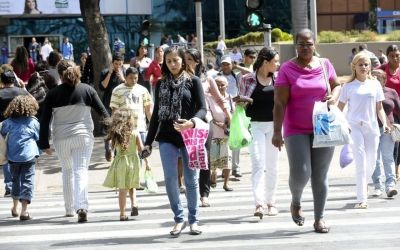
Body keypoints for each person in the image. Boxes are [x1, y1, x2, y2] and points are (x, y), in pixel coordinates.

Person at [272, 29, 341, 233]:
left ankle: (319, 218)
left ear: (315, 44)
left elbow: (336, 85)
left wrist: (334, 97)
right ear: (295, 45)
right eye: (301, 44)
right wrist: (277, 131)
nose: (305, 47)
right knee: (302, 172)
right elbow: (279, 103)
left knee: (320, 175)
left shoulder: (324, 64)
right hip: (295, 128)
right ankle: (296, 201)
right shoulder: (287, 69)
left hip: (322, 125)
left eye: (309, 43)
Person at [143, 46, 206, 236]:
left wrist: (191, 122)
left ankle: (193, 220)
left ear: (183, 61)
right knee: (171, 179)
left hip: (189, 135)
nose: (172, 64)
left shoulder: (193, 81)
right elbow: (155, 116)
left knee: (191, 179)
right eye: (168, 61)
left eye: (175, 60)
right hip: (167, 137)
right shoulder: (160, 84)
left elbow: (203, 109)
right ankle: (179, 219)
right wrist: (147, 142)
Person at [39, 60, 109, 222]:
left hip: (61, 138)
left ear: (59, 74)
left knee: (67, 171)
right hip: (83, 137)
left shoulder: (53, 94)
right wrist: (112, 133)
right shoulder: (87, 90)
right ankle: (82, 206)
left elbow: (45, 120)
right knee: (81, 170)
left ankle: (69, 208)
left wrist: (44, 143)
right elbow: (104, 114)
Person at [338, 53, 389, 209]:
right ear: (354, 66)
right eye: (360, 64)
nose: (364, 67)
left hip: (372, 127)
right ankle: (362, 198)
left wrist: (385, 123)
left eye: (366, 64)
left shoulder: (375, 85)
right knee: (360, 161)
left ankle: (363, 184)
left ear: (370, 67)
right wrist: (343, 124)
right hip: (355, 127)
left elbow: (379, 108)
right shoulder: (347, 86)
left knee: (372, 162)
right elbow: (339, 109)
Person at [185, 48, 232, 207]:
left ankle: (204, 194)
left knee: (204, 157)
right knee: (189, 158)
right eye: (185, 59)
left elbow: (219, 99)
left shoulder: (207, 79)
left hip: (204, 121)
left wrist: (227, 113)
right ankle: (190, 188)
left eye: (190, 59)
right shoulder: (180, 78)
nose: (187, 62)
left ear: (198, 61)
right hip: (186, 122)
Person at [239, 47, 280, 219]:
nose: (278, 65)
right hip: (254, 125)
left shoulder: (278, 79)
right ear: (265, 62)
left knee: (272, 166)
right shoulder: (247, 79)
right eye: (275, 61)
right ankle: (259, 204)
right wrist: (242, 102)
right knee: (258, 164)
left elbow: (284, 103)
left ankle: (271, 202)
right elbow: (240, 105)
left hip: (274, 126)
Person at [2, 95, 39, 221]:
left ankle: (14, 207)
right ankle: (24, 211)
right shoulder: (33, 122)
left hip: (13, 157)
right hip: (29, 156)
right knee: (28, 182)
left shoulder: (7, 123)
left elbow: (1, 135)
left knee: (15, 180)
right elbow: (38, 137)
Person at [103, 108, 143, 221]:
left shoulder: (116, 134)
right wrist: (147, 160)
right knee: (132, 184)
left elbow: (111, 146)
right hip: (133, 163)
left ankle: (122, 213)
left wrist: (109, 152)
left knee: (122, 189)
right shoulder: (135, 133)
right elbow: (141, 149)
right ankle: (134, 204)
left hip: (120, 163)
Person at [0, 69, 29, 198]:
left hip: (2, 128)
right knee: (20, 157)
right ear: (14, 80)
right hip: (21, 127)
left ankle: (9, 186)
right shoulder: (22, 92)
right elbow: (33, 104)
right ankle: (21, 185)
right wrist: (23, 87)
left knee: (4, 157)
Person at [371, 69, 399, 198]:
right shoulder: (367, 92)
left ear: (384, 80)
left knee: (387, 157)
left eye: (378, 78)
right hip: (371, 129)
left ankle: (390, 185)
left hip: (388, 128)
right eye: (373, 77)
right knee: (374, 159)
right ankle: (377, 186)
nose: (375, 80)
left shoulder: (391, 92)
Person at [219, 55, 242, 178]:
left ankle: (236, 167)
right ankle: (225, 167)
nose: (225, 66)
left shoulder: (237, 76)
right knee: (224, 141)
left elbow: (250, 72)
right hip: (221, 112)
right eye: (223, 64)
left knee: (236, 141)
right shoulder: (216, 77)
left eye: (228, 64)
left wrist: (237, 66)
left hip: (235, 111)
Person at [209, 76, 233, 192]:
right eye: (217, 84)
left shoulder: (230, 98)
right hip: (213, 133)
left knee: (227, 159)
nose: (219, 87)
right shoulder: (209, 98)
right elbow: (208, 115)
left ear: (227, 85)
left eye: (222, 84)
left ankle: (226, 183)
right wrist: (220, 124)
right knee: (213, 159)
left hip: (227, 134)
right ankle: (213, 176)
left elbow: (233, 113)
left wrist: (228, 124)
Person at [99, 54, 125, 161]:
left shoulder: (124, 72)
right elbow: (103, 86)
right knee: (108, 127)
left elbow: (129, 86)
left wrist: (122, 78)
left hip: (121, 105)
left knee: (119, 128)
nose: (117, 66)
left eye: (120, 64)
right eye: (115, 64)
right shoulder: (105, 72)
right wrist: (110, 73)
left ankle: (116, 152)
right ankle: (108, 148)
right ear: (112, 63)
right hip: (108, 103)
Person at [380, 45, 400, 180]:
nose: (395, 58)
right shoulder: (381, 70)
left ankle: (396, 167)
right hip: (389, 111)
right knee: (395, 141)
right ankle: (395, 170)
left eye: (397, 55)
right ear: (387, 57)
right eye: (392, 56)